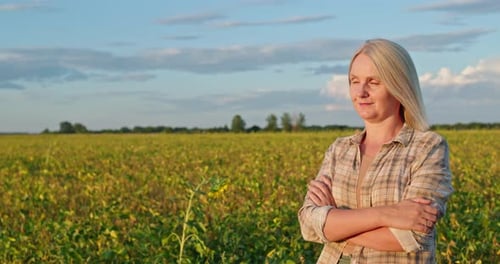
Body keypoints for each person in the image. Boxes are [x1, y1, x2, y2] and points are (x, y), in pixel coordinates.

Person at [298, 38, 453, 264]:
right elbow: (308, 224)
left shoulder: (427, 148)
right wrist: (386, 215)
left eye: (373, 82)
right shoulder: (339, 150)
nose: (361, 92)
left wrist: (333, 225)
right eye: (354, 81)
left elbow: (411, 236)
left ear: (399, 86)